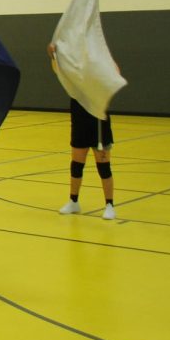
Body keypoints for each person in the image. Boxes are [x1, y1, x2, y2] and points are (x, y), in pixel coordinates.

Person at [48, 43, 116, 220]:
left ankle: (109, 204)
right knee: (76, 165)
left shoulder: (99, 75)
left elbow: (115, 72)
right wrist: (53, 55)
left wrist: (105, 57)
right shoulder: (73, 77)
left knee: (104, 166)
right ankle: (74, 201)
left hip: (99, 125)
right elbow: (58, 70)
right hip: (80, 123)